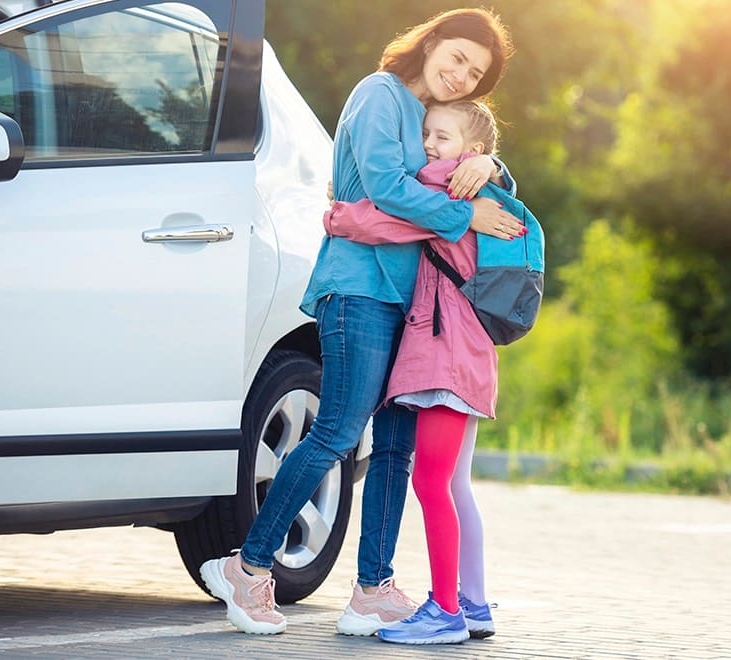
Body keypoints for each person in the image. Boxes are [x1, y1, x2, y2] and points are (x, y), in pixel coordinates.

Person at [199, 8, 519, 637]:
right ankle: (249, 564)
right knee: (338, 429)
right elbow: (389, 188)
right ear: (430, 43)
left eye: (475, 73)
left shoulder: (435, 122)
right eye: (456, 57)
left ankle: (373, 588)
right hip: (360, 290)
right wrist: (464, 215)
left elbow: (440, 174)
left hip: (416, 308)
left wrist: (492, 171)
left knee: (394, 451)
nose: (460, 75)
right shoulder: (380, 95)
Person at [323, 100, 526, 644]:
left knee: (430, 481)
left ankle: (444, 611)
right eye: (426, 135)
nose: (430, 146)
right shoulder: (486, 188)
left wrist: (338, 215)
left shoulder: (447, 185)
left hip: (445, 357)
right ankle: (473, 602)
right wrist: (494, 167)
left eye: (441, 135)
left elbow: (389, 218)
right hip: (470, 356)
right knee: (455, 484)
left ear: (472, 152)